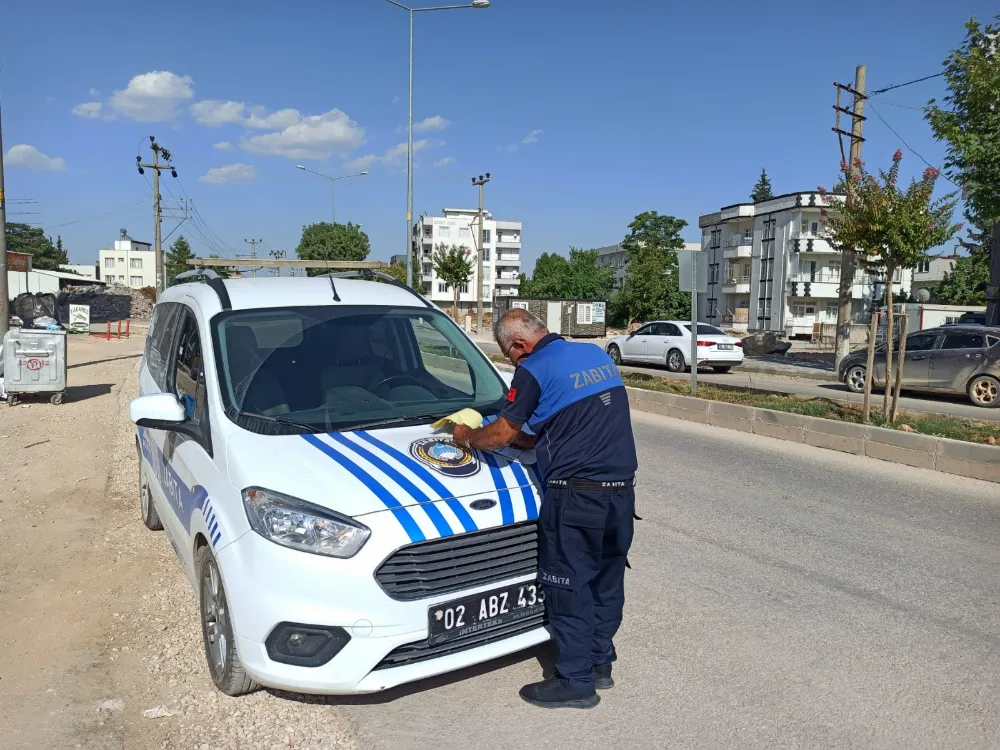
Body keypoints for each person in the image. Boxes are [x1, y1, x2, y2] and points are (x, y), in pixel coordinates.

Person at [452, 308, 638, 709]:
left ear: (519, 345)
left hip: (576, 496)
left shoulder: (534, 368)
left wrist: (467, 438)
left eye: (509, 356)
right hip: (621, 493)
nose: (512, 362)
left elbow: (503, 433)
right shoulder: (593, 355)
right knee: (606, 581)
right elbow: (561, 427)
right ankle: (600, 663)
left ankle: (575, 682)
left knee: (568, 586)